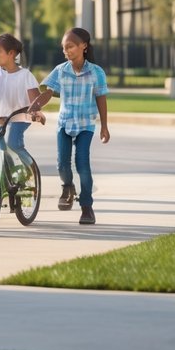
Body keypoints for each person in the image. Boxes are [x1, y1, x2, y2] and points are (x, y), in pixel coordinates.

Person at [29, 27, 110, 226]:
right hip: (64, 123)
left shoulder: (96, 72)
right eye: (64, 47)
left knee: (82, 163)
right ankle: (67, 187)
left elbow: (101, 99)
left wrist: (104, 127)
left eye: (70, 46)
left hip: (85, 125)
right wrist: (36, 106)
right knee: (62, 163)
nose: (66, 51)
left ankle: (86, 207)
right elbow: (48, 92)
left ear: (84, 46)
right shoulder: (61, 70)